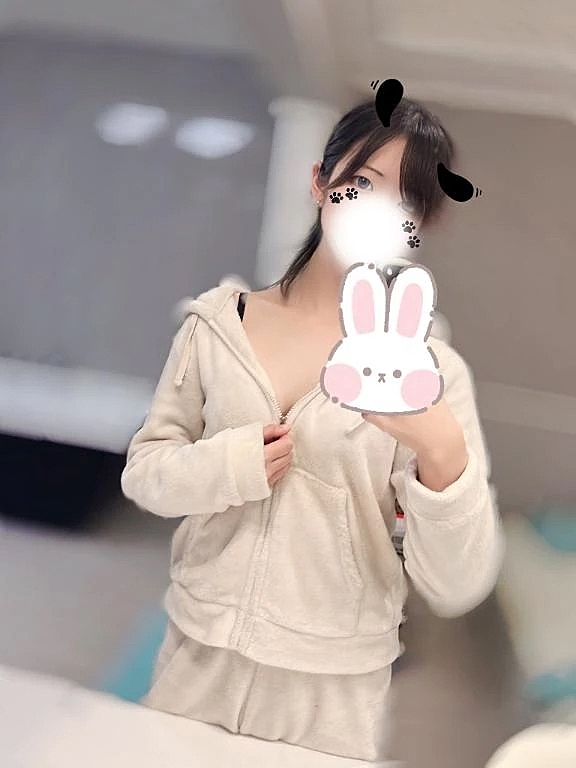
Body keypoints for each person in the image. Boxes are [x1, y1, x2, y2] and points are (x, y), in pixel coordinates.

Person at [120, 97, 504, 763]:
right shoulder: (218, 325)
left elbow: (456, 585)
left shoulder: (430, 372)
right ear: (321, 181)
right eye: (363, 183)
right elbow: (146, 475)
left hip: (331, 691)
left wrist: (443, 454)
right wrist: (231, 465)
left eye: (405, 201)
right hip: (197, 654)